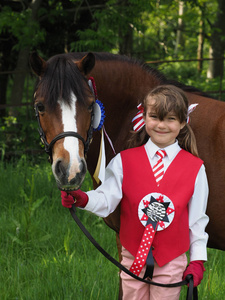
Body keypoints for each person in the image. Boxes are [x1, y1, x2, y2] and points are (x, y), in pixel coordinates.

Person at [61, 85, 209, 300]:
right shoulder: (123, 161)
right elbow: (106, 198)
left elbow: (197, 220)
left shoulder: (196, 168)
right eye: (155, 117)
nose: (161, 125)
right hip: (132, 257)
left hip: (171, 260)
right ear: (144, 117)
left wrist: (197, 261)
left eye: (170, 119)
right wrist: (83, 198)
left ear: (183, 122)